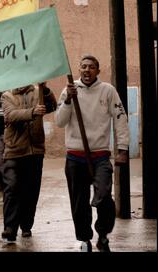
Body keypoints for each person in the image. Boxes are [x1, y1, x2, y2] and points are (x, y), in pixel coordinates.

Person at [55, 55, 129, 252]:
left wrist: (123, 149)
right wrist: (69, 101)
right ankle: (85, 240)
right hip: (75, 156)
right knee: (79, 203)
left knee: (104, 196)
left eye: (91, 67)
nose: (87, 70)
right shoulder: (70, 90)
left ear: (98, 70)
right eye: (83, 67)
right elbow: (60, 121)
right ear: (79, 70)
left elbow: (120, 118)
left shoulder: (108, 91)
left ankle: (103, 234)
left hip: (100, 156)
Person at [0, 82, 57, 243]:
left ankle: (26, 225)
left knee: (31, 191)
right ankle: (10, 228)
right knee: (11, 189)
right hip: (14, 150)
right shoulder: (7, 95)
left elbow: (52, 106)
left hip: (35, 150)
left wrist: (45, 90)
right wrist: (32, 112)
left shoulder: (38, 91)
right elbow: (10, 115)